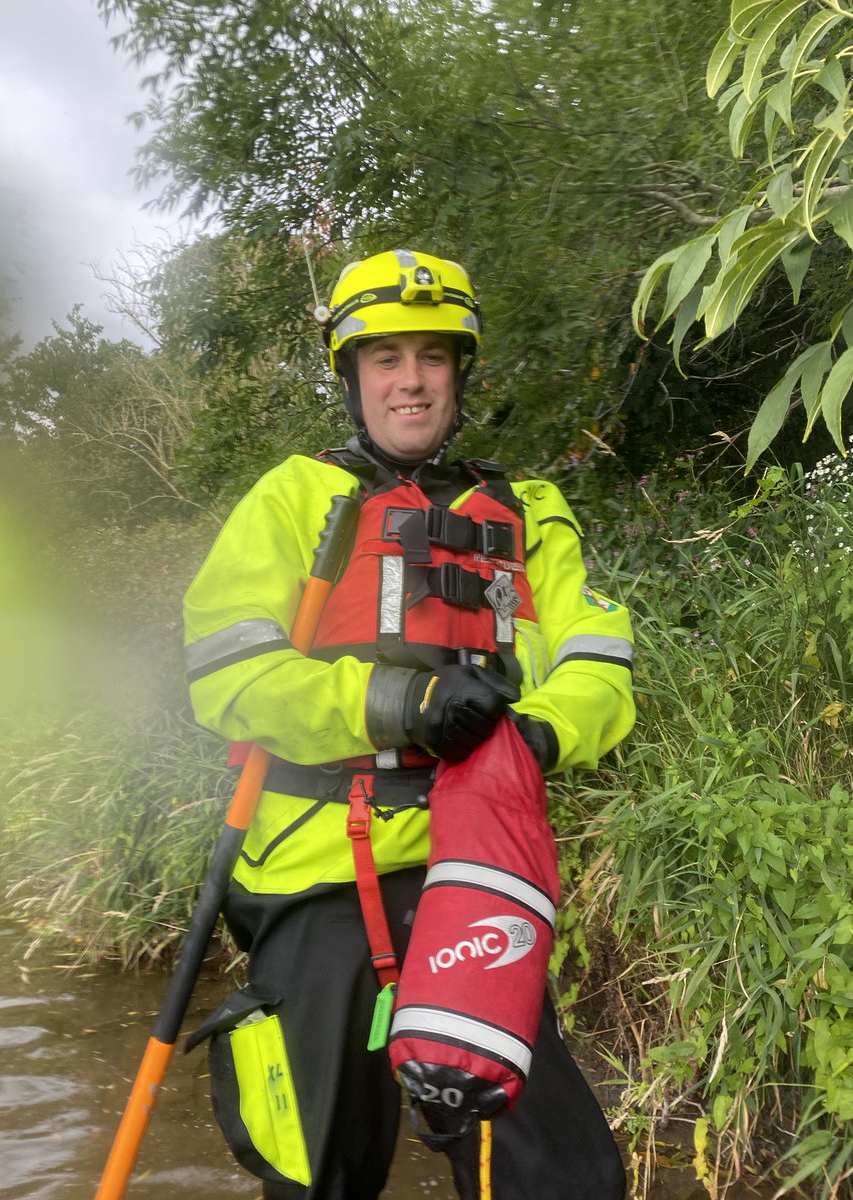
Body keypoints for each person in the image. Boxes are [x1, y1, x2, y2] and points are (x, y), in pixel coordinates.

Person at [183, 249, 635, 1199]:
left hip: (475, 870)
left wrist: (533, 735)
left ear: (459, 373)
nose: (411, 380)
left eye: (432, 355)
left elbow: (601, 667)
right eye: (385, 358)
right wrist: (398, 701)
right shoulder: (294, 498)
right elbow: (227, 675)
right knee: (318, 1172)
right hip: (315, 870)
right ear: (353, 377)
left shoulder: (532, 512)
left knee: (562, 1176)